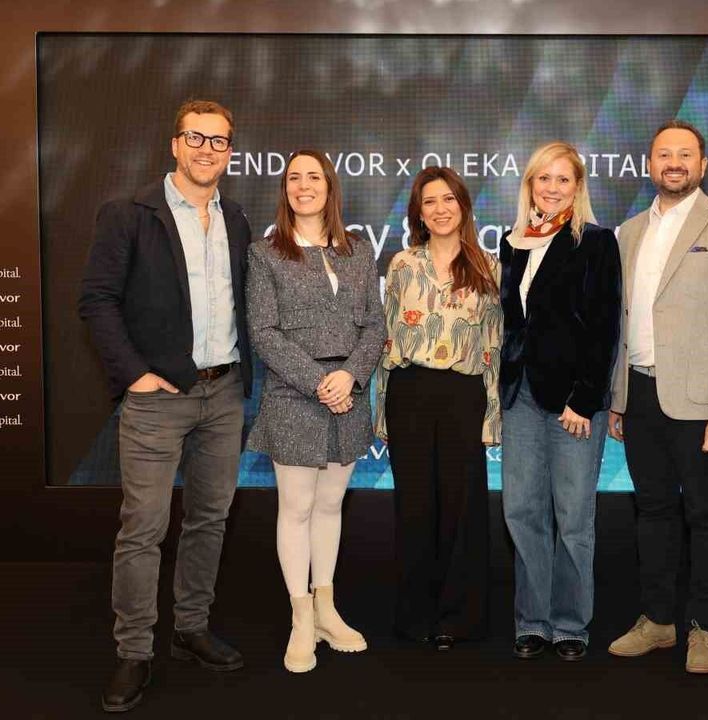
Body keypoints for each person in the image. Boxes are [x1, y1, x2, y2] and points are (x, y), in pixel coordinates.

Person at [79, 99, 251, 713]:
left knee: (209, 518)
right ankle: (133, 651)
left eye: (219, 141)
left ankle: (190, 628)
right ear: (175, 144)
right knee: (144, 528)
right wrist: (136, 376)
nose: (208, 150)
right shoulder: (128, 214)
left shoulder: (235, 217)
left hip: (224, 393)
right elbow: (97, 301)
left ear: (230, 152)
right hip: (158, 400)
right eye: (196, 138)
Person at [606, 120, 708, 674]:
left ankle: (706, 629)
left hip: (700, 405)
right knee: (652, 512)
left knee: (707, 514)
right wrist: (619, 398)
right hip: (641, 395)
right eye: (664, 154)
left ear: (703, 164)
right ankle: (658, 620)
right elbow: (622, 323)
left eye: (685, 154)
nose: (674, 163)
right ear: (650, 164)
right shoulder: (627, 233)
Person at [245, 150, 386, 673]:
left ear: (329, 187)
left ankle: (327, 611)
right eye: (294, 178)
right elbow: (263, 332)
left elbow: (375, 324)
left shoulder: (358, 250)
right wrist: (319, 382)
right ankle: (301, 618)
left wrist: (349, 376)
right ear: (285, 189)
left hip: (349, 394)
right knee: (297, 508)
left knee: (330, 506)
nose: (303, 186)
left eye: (313, 177)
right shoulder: (265, 254)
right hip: (294, 395)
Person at [498, 142, 621, 662]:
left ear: (578, 187)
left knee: (572, 516)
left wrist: (585, 399)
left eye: (562, 180)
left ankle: (570, 624)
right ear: (529, 185)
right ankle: (532, 621)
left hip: (573, 402)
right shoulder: (512, 243)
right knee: (522, 511)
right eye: (543, 178)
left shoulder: (595, 242)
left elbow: (604, 327)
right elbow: (514, 324)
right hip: (521, 396)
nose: (552, 188)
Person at [374, 166, 502, 650]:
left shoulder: (489, 267)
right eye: (430, 201)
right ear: (419, 213)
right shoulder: (402, 264)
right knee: (414, 506)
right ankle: (415, 614)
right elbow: (386, 341)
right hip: (409, 393)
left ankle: (459, 616)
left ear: (463, 206)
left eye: (449, 199)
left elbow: (494, 346)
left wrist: (492, 416)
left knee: (462, 508)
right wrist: (381, 412)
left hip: (463, 396)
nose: (441, 209)